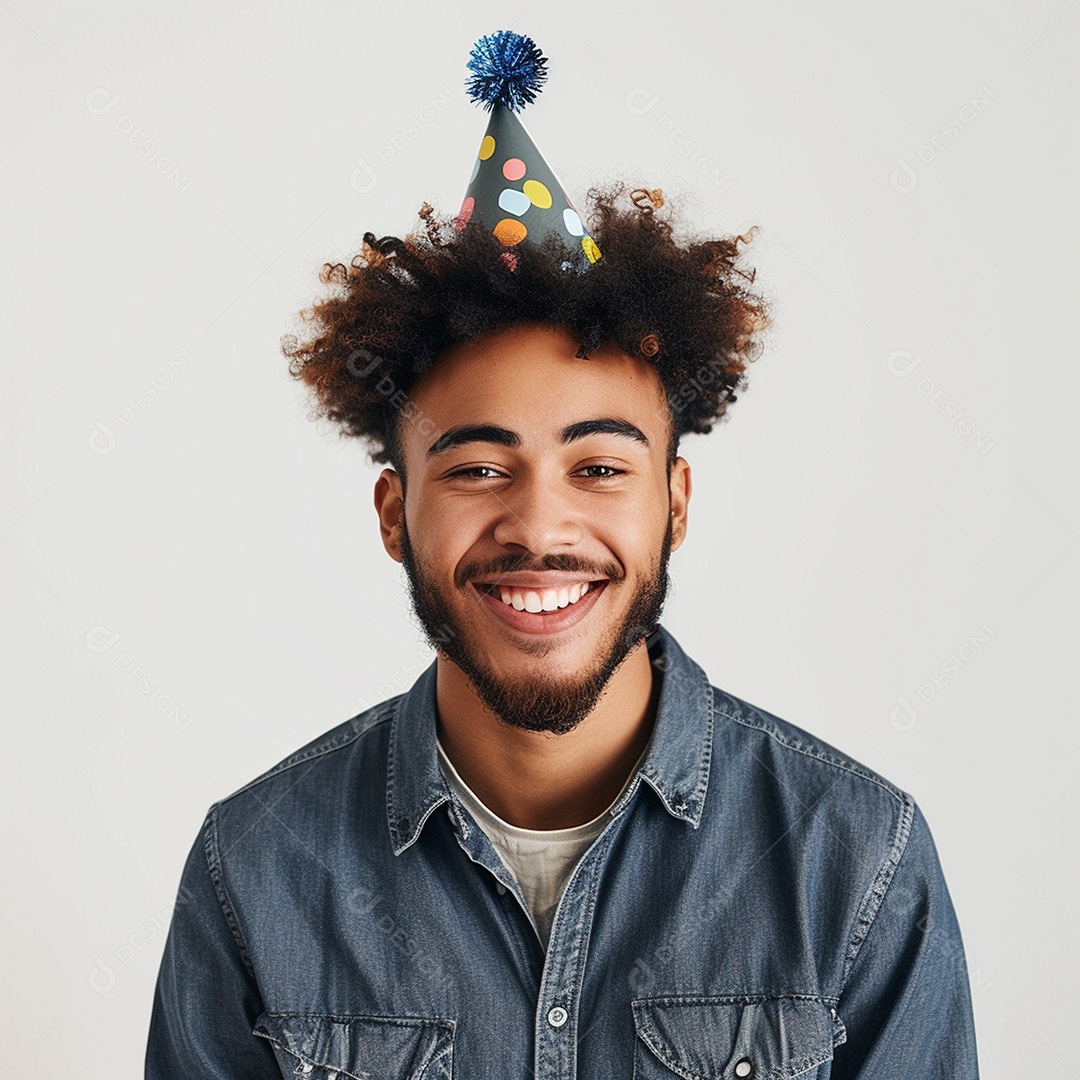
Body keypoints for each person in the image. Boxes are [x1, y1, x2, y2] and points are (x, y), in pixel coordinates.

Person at [146, 31, 980, 1079]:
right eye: (480, 469)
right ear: (394, 513)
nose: (540, 531)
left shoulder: (856, 863)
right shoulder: (254, 871)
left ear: (675, 505)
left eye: (598, 468)